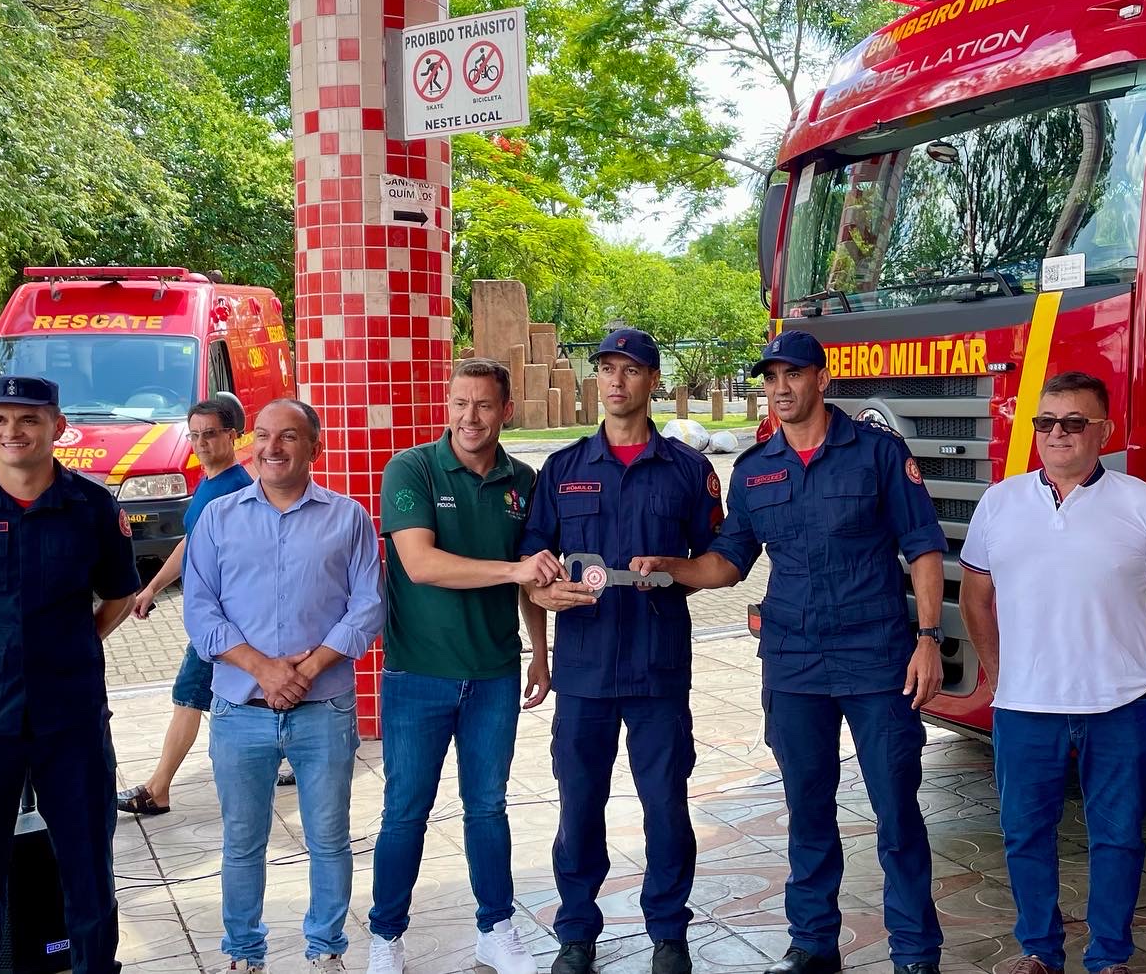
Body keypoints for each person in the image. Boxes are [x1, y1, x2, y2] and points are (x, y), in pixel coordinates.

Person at [632, 330, 946, 974]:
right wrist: (674, 567)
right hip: (794, 661)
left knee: (895, 808)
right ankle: (813, 945)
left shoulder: (878, 453)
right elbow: (729, 562)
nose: (780, 387)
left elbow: (923, 547)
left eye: (793, 375)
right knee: (807, 807)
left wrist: (928, 639)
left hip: (876, 655)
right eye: (771, 377)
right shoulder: (754, 470)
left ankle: (915, 950)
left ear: (821, 380)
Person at [958, 371, 1146, 974]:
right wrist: (997, 673)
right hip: (1024, 707)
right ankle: (1039, 950)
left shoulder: (1143, 504)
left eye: (1073, 423)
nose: (1057, 433)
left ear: (1104, 431)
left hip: (1120, 706)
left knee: (1117, 838)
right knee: (1024, 836)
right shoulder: (1000, 502)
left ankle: (1110, 955)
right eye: (1045, 422)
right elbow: (976, 595)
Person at [0, 375, 140, 973]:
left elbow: (118, 594)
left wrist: (73, 643)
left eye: (28, 419)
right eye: (0, 420)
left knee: (88, 863)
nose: (12, 432)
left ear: (57, 427)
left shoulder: (92, 508)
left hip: (70, 716)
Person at [519, 328, 725, 974]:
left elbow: (720, 562)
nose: (615, 381)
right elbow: (532, 567)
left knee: (666, 804)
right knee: (579, 804)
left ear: (653, 381)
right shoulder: (564, 468)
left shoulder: (689, 472)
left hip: (658, 668)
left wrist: (677, 567)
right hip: (583, 673)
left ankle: (668, 930)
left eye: (630, 370)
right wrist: (542, 636)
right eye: (606, 368)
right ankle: (577, 931)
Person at [365, 359, 561, 974]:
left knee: (488, 808)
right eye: (458, 403)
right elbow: (421, 564)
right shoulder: (413, 468)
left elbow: (535, 575)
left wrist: (540, 653)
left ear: (506, 411)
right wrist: (513, 572)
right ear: (446, 405)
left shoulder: (522, 482)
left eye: (482, 405)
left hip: (494, 675)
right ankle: (386, 936)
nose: (468, 418)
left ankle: (495, 929)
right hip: (416, 674)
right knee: (405, 811)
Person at [183, 398, 384, 973]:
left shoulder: (348, 518)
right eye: (264, 435)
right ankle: (244, 954)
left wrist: (309, 667)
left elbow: (368, 605)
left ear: (314, 448)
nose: (273, 447)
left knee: (328, 838)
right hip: (239, 707)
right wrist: (264, 669)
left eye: (289, 436)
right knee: (242, 843)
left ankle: (326, 950)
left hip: (324, 708)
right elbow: (200, 610)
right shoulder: (219, 518)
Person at [117, 398, 254, 816]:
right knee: (243, 698)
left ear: (232, 436)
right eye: (194, 435)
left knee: (189, 697)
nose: (201, 443)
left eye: (210, 434)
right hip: (210, 619)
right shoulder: (209, 484)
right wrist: (152, 587)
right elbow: (190, 543)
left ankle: (158, 789)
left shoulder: (236, 490)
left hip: (224, 622)